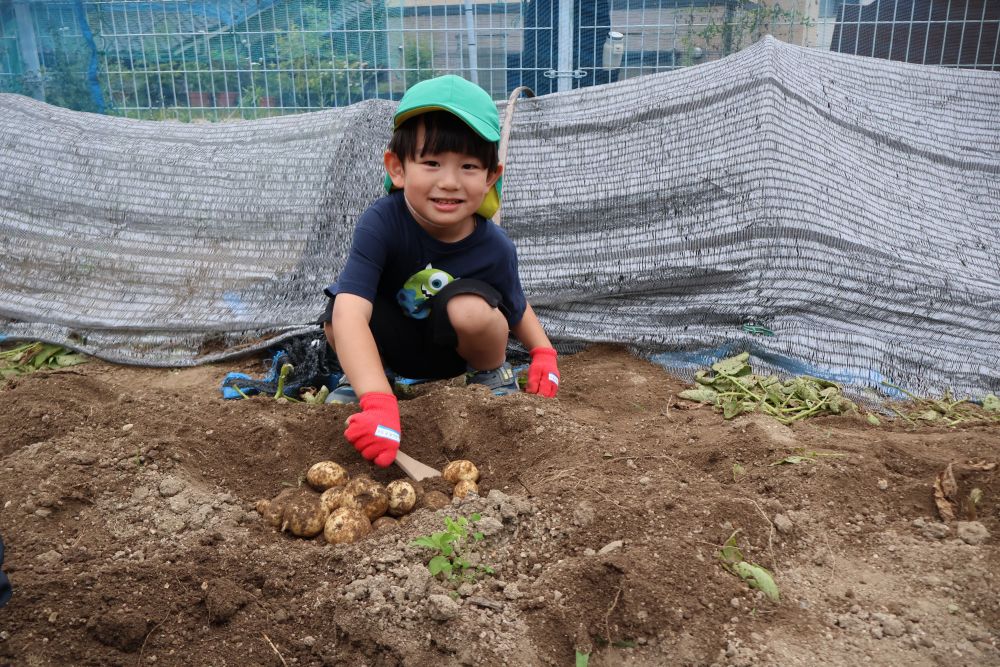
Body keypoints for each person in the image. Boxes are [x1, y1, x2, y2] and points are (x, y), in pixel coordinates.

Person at [322, 75, 560, 468]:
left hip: (452, 353)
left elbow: (516, 306)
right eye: (431, 163)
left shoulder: (494, 246)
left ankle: (490, 375)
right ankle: (369, 378)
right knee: (338, 312)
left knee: (471, 307)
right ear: (397, 168)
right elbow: (351, 311)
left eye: (468, 166)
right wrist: (377, 401)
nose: (448, 182)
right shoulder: (381, 223)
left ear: (490, 178)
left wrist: (543, 354)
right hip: (396, 345)